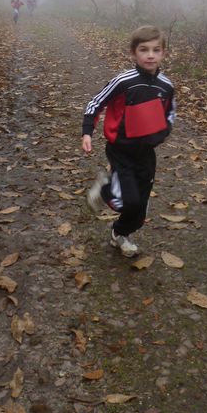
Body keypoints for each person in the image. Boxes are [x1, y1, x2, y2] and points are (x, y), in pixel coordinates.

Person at [82, 25, 176, 257]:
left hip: (146, 153)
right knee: (130, 200)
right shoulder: (124, 81)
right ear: (134, 54)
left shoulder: (166, 86)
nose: (150, 55)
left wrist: (163, 132)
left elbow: (170, 114)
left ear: (164, 53)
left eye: (156, 50)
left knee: (140, 208)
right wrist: (87, 131)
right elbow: (96, 102)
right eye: (144, 50)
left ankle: (120, 233)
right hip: (120, 149)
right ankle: (106, 189)